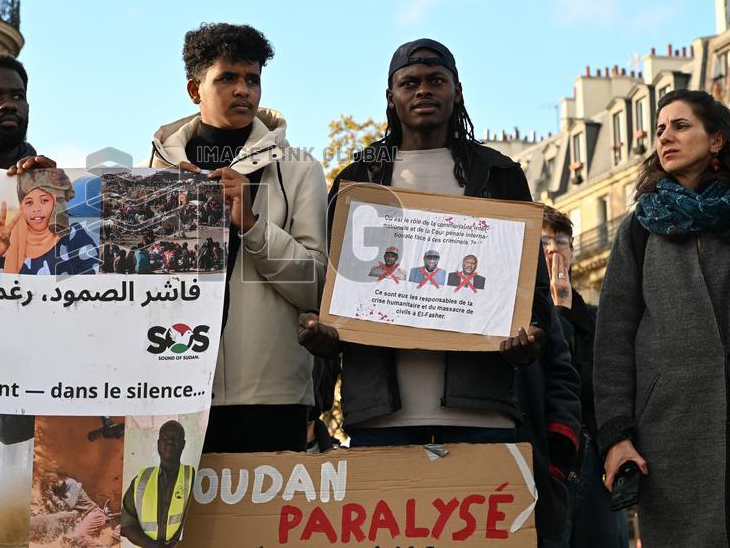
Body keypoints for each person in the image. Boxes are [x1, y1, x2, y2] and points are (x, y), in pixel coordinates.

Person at [298, 38, 580, 540]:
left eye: (435, 81)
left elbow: (532, 293)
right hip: (378, 418)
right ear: (391, 96)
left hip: (484, 414)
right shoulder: (357, 180)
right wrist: (325, 356)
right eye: (410, 82)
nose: (423, 91)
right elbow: (334, 294)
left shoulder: (499, 175)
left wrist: (529, 340)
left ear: (457, 91)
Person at [146, 23, 328, 453]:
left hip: (270, 398)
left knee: (265, 523)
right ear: (195, 90)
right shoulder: (151, 175)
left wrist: (251, 223)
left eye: (252, 79)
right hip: (169, 388)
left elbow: (316, 286)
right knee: (181, 522)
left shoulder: (301, 169)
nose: (243, 89)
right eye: (227, 77)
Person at [595, 88, 730, 546]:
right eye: (659, 130)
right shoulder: (638, 229)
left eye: (681, 126)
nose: (665, 137)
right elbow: (612, 340)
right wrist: (616, 435)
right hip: (668, 438)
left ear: (716, 140)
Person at [539, 207, 627, 547]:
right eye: (544, 241)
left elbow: (601, 381)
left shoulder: (597, 318)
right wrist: (557, 310)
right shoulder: (522, 319)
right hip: (551, 461)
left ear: (573, 251)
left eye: (561, 241)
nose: (553, 249)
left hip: (596, 459)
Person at [0, 171, 97, 275]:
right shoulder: (7, 240)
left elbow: (95, 286)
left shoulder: (74, 236)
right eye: (29, 202)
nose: (36, 209)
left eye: (44, 200)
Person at [121, 421, 196, 548]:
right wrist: (151, 545)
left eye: (174, 438)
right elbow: (126, 524)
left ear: (183, 444)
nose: (169, 441)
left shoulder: (193, 477)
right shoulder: (141, 480)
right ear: (158, 444)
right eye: (165, 438)